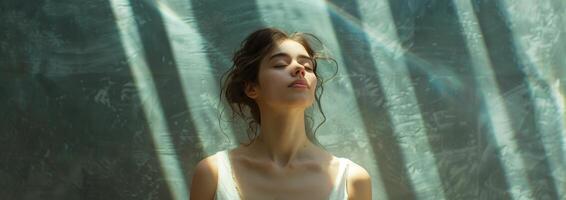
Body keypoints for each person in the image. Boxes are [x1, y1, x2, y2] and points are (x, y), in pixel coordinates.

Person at [190, 28, 371, 200]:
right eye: (280, 64)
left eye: (307, 67)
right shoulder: (213, 174)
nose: (299, 69)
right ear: (251, 88)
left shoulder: (351, 180)